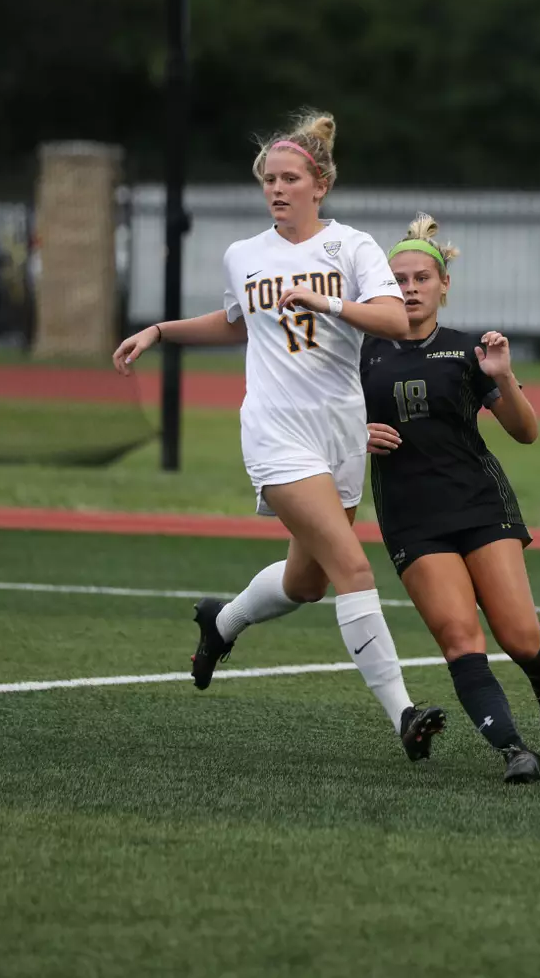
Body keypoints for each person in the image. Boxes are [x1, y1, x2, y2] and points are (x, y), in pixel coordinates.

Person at [112, 109, 447, 762]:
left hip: (341, 432)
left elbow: (394, 322)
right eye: (269, 178)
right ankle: (403, 715)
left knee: (309, 582)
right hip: (275, 433)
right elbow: (239, 322)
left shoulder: (350, 247)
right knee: (352, 564)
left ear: (319, 185)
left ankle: (223, 621)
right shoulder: (245, 255)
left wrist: (327, 302)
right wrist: (160, 330)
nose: (277, 188)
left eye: (290, 178)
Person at [359, 213, 540, 785]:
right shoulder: (363, 353)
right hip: (411, 518)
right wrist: (352, 435)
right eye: (397, 279)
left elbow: (526, 432)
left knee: (521, 637)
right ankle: (513, 750)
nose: (408, 289)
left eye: (420, 279)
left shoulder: (467, 351)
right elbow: (322, 419)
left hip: (480, 505)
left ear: (443, 286)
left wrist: (503, 378)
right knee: (460, 638)